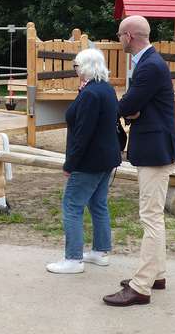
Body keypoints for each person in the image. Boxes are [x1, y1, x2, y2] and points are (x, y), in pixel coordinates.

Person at [103, 15, 175, 306]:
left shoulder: (149, 66)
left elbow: (128, 105)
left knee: (150, 218)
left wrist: (129, 110)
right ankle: (156, 274)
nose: (118, 39)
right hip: (156, 147)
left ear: (129, 36)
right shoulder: (150, 63)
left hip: (155, 150)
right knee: (153, 216)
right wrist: (133, 110)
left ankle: (141, 286)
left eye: (119, 35)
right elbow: (134, 107)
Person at [46, 48, 121, 274]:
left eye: (76, 66)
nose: (75, 70)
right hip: (107, 158)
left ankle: (73, 259)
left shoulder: (90, 94)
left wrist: (70, 165)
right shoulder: (105, 89)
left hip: (89, 161)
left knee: (72, 205)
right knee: (98, 203)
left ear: (86, 67)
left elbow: (83, 133)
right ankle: (100, 251)